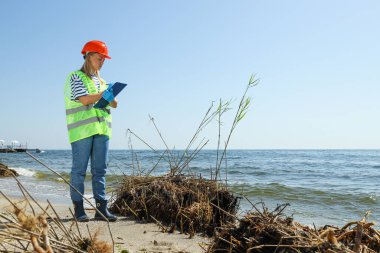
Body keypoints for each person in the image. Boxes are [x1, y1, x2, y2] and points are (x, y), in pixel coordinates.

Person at [64, 40, 118, 222]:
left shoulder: (102, 81)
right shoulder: (76, 76)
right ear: (88, 56)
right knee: (79, 170)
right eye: (99, 58)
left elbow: (115, 104)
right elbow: (85, 100)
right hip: (82, 132)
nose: (102, 62)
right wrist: (104, 95)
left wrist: (111, 96)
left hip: (102, 131)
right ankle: (79, 209)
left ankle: (102, 210)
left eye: (104, 59)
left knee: (100, 170)